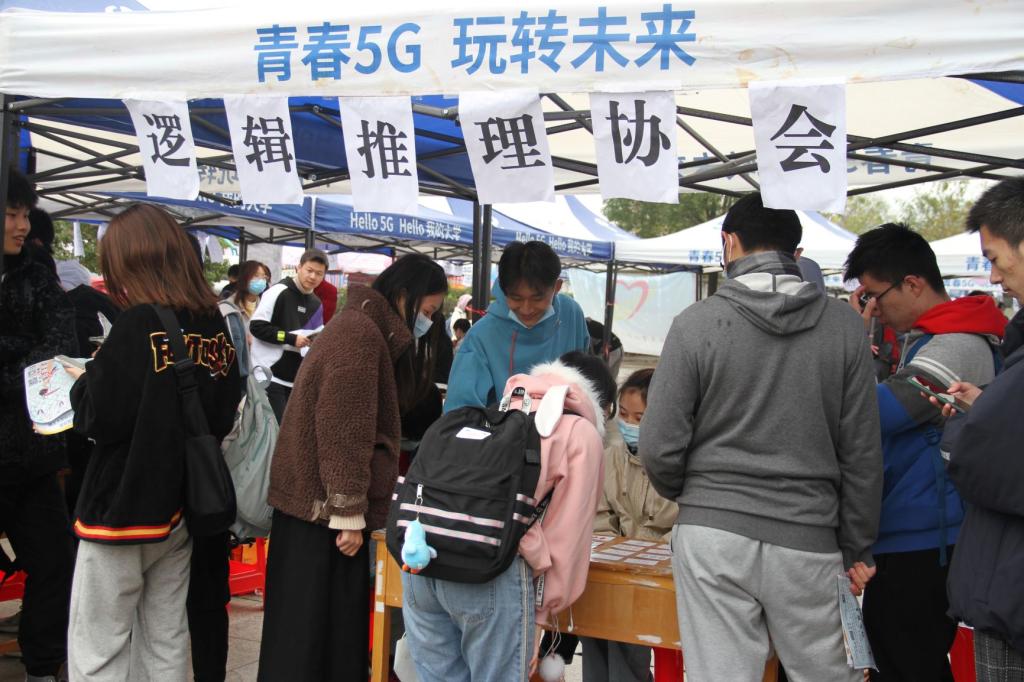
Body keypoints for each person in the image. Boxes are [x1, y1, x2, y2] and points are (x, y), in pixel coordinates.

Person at [640, 192, 883, 682]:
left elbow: (658, 445)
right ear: (797, 253)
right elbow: (861, 452)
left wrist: (701, 496)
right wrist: (856, 545)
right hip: (808, 536)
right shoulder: (843, 327)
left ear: (728, 242)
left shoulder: (695, 323)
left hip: (712, 536)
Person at [63, 203, 241, 682]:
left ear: (133, 263)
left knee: (98, 644)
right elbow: (225, 409)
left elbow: (98, 416)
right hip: (183, 511)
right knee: (165, 639)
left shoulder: (138, 322)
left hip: (121, 508)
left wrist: (84, 379)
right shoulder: (214, 323)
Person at [257, 254, 448, 682]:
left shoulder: (360, 327)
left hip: (315, 508)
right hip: (321, 514)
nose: (429, 321)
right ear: (405, 297)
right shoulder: (360, 335)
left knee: (314, 636)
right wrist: (347, 513)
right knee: (311, 638)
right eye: (429, 310)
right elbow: (344, 427)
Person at [844, 223, 1005, 682]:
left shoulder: (959, 341)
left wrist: (853, 344)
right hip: (913, 529)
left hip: (928, 538)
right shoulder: (930, 336)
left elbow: (878, 413)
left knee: (907, 661)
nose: (874, 308)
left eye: (876, 295)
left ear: (912, 283)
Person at [401, 350, 611, 682]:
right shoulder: (579, 433)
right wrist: (540, 615)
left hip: (423, 562)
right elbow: (567, 537)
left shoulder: (500, 409)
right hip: (493, 572)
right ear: (603, 405)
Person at [935, 176, 1024, 681]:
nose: (993, 277)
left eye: (994, 258)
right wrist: (989, 408)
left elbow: (984, 459)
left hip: (1012, 594)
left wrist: (969, 427)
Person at [0, 169, 76, 682]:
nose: (23, 225)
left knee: (54, 562)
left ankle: (42, 667)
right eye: (12, 214)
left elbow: (56, 352)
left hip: (32, 454)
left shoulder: (38, 276)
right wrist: (19, 354)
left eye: (25, 213)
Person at [583, 367, 671, 682]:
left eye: (640, 418)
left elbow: (684, 524)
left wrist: (653, 555)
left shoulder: (679, 464)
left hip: (662, 576)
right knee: (595, 631)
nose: (629, 424)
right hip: (616, 570)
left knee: (629, 650)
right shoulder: (611, 456)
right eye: (623, 414)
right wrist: (613, 551)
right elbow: (600, 515)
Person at [445, 241, 590, 412]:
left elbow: (586, 376)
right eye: (516, 298)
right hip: (504, 427)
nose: (526, 309)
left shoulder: (571, 313)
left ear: (556, 287)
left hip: (567, 424)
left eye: (537, 298)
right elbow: (460, 411)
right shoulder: (482, 335)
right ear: (503, 290)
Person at [249, 248, 326, 422]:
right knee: (275, 430)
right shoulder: (278, 291)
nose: (313, 276)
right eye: (309, 270)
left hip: (296, 379)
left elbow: (316, 337)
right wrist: (291, 339)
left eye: (319, 273)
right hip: (269, 374)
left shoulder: (316, 303)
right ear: (299, 267)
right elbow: (257, 327)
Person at [220, 260, 270, 383]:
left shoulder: (267, 307)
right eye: (256, 276)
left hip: (260, 373)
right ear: (244, 278)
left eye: (263, 277)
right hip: (236, 373)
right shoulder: (228, 308)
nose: (261, 281)